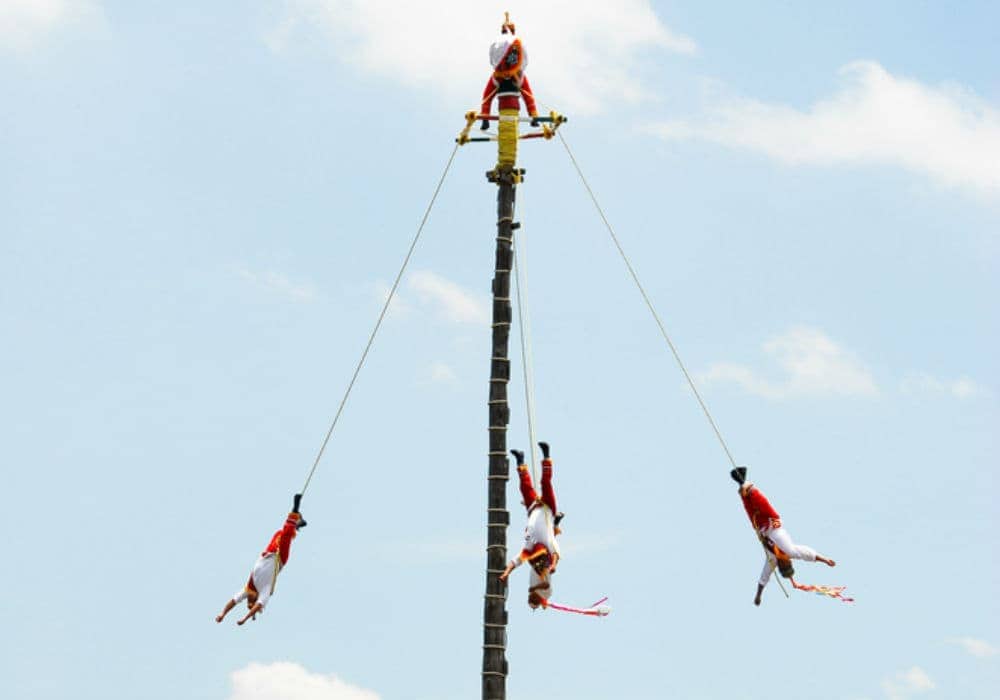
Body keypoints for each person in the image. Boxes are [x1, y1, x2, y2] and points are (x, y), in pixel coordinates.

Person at [730, 467, 836, 606]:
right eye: (788, 563)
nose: (786, 561)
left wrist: (758, 596)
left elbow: (764, 578)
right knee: (759, 503)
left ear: (781, 565)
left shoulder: (773, 560)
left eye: (784, 564)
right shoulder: (789, 552)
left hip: (760, 527)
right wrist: (825, 560)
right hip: (772, 524)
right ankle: (749, 488)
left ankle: (741, 483)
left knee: (749, 506)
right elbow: (806, 554)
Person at [215, 494, 307, 625]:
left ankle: (297, 523)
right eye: (251, 603)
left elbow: (233, 601)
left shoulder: (247, 589)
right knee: (286, 534)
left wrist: (222, 614)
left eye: (248, 602)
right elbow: (258, 606)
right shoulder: (265, 592)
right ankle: (295, 509)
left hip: (268, 553)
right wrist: (245, 618)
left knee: (280, 533)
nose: (249, 601)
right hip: (279, 559)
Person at [499, 441, 564, 609]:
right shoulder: (549, 544)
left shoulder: (528, 548)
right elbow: (556, 554)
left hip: (533, 509)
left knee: (525, 488)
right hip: (548, 508)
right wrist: (553, 566)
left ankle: (520, 460)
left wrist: (506, 573)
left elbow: (516, 561)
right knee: (546, 484)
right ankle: (547, 455)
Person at [480, 13, 540, 170]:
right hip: (504, 110)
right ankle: (505, 163)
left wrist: (534, 116)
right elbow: (486, 98)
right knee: (506, 135)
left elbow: (529, 97)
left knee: (510, 136)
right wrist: (485, 118)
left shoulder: (518, 76)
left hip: (512, 109)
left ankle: (507, 163)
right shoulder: (497, 77)